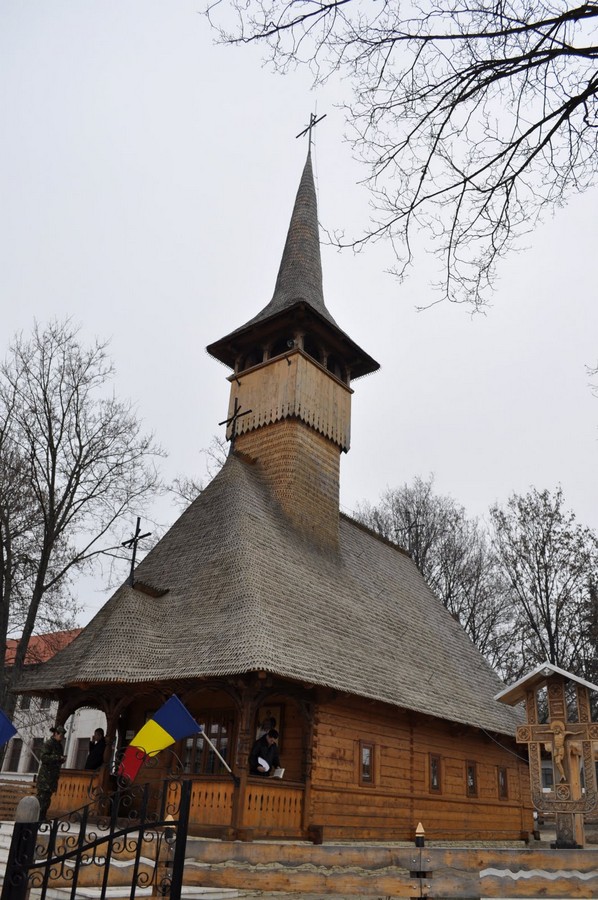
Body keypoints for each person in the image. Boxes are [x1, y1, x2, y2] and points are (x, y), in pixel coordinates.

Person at [36, 725, 67, 819]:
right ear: (56, 734)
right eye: (60, 735)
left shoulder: (59, 746)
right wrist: (57, 758)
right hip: (45, 776)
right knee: (41, 798)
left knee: (47, 799)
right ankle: (36, 817)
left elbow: (58, 759)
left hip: (53, 776)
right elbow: (44, 757)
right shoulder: (48, 744)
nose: (61, 738)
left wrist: (62, 759)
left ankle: (42, 817)